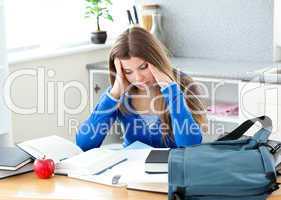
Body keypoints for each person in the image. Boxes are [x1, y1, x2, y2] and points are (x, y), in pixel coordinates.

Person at [76, 26, 207, 151]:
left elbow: (190, 147)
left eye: (143, 67)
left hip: (172, 171)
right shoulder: (119, 94)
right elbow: (84, 144)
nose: (138, 78)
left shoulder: (183, 86)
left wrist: (172, 92)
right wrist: (114, 95)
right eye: (128, 71)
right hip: (132, 171)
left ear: (156, 60)